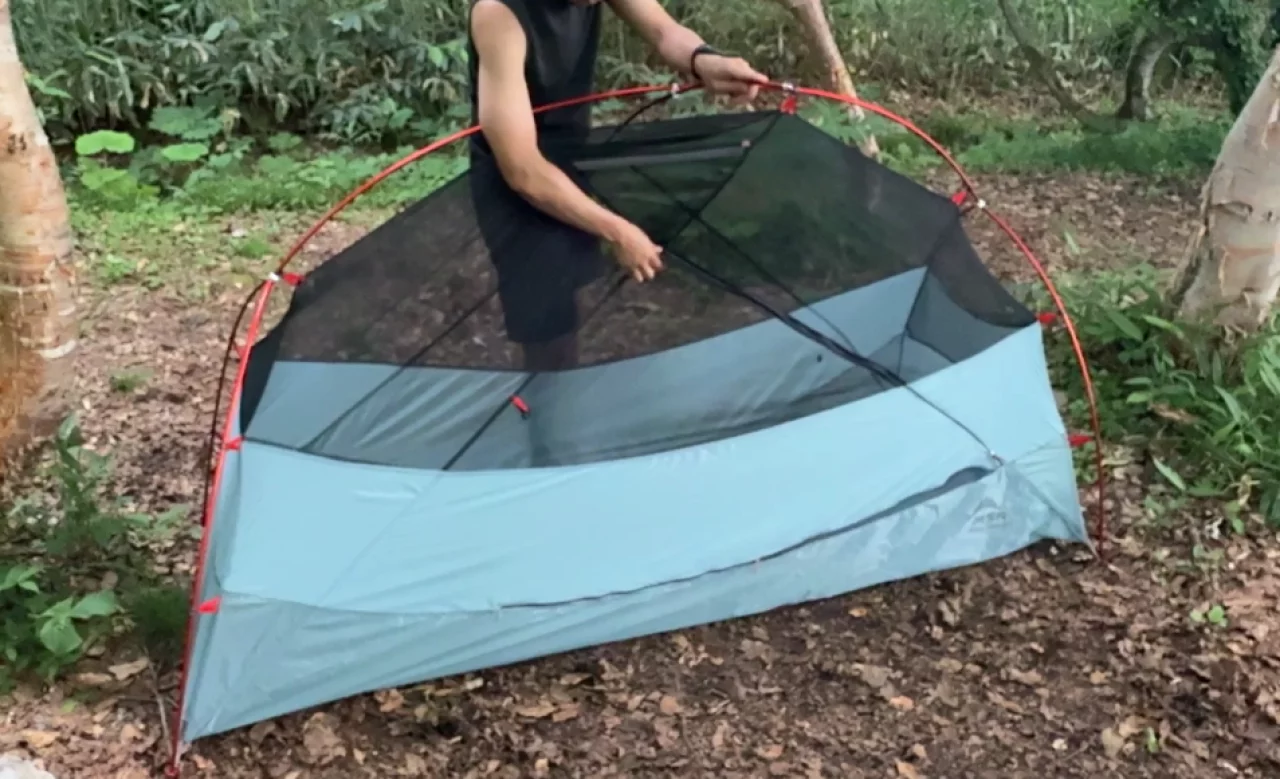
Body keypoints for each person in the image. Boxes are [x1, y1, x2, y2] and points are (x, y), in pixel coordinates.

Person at [467, 0, 768, 373]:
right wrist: (618, 230)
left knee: (570, 300)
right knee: (547, 329)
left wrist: (704, 60)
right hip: (516, 184)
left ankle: (568, 389)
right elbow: (522, 169)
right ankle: (547, 403)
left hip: (571, 156)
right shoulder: (499, 15)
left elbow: (664, 32)